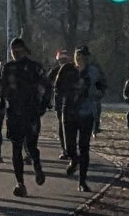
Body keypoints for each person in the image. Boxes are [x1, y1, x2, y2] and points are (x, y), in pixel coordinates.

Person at [0, 37, 49, 198]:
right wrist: (1, 102)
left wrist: (44, 105)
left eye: (18, 50)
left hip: (30, 111)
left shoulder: (33, 67)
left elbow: (46, 85)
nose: (15, 53)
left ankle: (36, 167)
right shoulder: (9, 68)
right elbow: (3, 88)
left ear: (24, 50)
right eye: (13, 51)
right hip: (15, 112)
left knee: (30, 145)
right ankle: (20, 182)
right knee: (17, 147)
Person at [55, 45, 104, 192]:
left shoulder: (93, 71)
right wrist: (68, 93)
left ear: (87, 57)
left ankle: (82, 181)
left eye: (83, 55)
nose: (80, 58)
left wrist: (96, 93)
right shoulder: (67, 69)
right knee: (69, 146)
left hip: (86, 112)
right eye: (78, 55)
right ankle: (73, 159)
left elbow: (101, 86)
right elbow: (57, 87)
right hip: (69, 111)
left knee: (84, 147)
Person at [46, 49, 70, 159]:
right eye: (61, 60)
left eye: (64, 60)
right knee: (62, 126)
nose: (62, 62)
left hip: (71, 101)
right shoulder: (54, 71)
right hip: (60, 102)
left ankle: (69, 149)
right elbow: (47, 84)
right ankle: (65, 149)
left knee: (69, 127)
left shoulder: (73, 70)